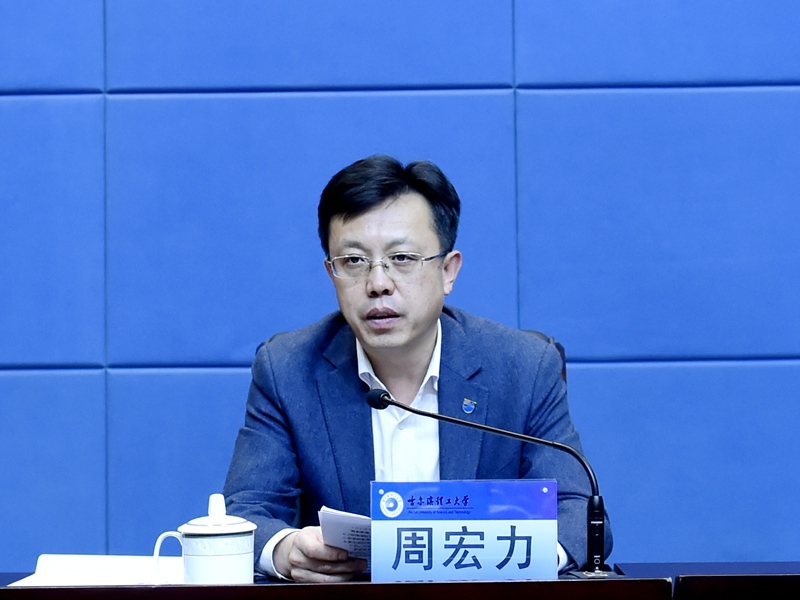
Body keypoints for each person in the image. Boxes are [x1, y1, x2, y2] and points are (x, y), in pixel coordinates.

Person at [223, 155, 612, 582]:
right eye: (353, 261)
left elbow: (578, 514)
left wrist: (514, 559)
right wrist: (286, 551)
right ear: (331, 272)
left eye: (402, 258)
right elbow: (246, 513)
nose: (378, 283)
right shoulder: (288, 369)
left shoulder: (523, 367)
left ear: (448, 271)